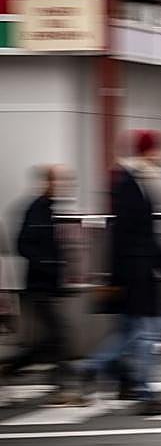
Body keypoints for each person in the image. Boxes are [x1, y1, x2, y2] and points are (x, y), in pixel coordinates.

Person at [79, 130, 161, 415]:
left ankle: (95, 369)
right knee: (147, 333)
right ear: (148, 152)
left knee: (133, 332)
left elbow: (146, 232)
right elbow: (129, 234)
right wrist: (118, 277)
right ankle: (144, 393)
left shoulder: (141, 181)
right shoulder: (133, 183)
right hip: (136, 272)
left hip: (137, 270)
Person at [1, 165, 83, 405]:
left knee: (51, 339)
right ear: (48, 182)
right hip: (38, 285)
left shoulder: (47, 210)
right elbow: (23, 244)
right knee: (59, 335)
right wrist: (47, 264)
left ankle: (12, 369)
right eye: (62, 181)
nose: (67, 186)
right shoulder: (36, 209)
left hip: (46, 284)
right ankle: (63, 388)